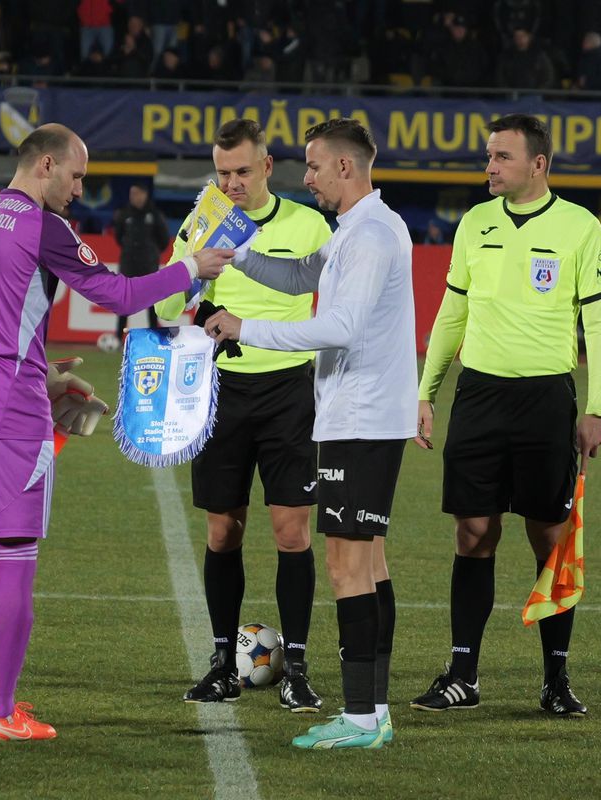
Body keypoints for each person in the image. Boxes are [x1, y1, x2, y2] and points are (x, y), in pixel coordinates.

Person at [0, 123, 231, 738]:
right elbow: (117, 294)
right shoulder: (44, 225)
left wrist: (45, 374)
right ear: (46, 165)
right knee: (14, 559)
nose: (79, 189)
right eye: (76, 175)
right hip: (8, 412)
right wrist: (189, 268)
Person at [204, 118, 418, 750]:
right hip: (361, 415)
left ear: (345, 167)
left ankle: (361, 717)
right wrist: (238, 252)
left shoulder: (370, 234)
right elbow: (300, 276)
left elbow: (342, 327)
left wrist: (245, 328)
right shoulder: (358, 227)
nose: (308, 177)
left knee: (348, 565)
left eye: (315, 166)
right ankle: (374, 711)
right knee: (369, 563)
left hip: (361, 417)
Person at [412, 113, 601, 718]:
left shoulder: (581, 227)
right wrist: (426, 392)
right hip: (478, 396)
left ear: (538, 164)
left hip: (545, 402)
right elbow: (452, 313)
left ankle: (556, 679)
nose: (490, 167)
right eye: (489, 156)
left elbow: (599, 322)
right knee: (473, 532)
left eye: (502, 156)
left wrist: (597, 406)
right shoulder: (475, 223)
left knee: (549, 538)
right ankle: (463, 675)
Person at [154, 119, 332, 712]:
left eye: (242, 171)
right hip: (220, 390)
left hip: (289, 393)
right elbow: (167, 302)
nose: (231, 182)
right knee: (222, 530)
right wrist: (190, 275)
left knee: (291, 531)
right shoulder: (201, 221)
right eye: (222, 172)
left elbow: (325, 308)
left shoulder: (308, 224)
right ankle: (222, 663)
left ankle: (297, 669)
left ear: (267, 167)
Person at [113, 182, 170, 336]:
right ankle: (118, 337)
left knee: (151, 302)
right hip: (128, 264)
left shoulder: (155, 214)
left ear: (144, 195)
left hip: (148, 265)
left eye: (136, 193)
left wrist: (152, 253)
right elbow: (118, 236)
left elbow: (164, 239)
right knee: (124, 300)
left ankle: (154, 336)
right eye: (131, 194)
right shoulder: (124, 214)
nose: (133, 197)